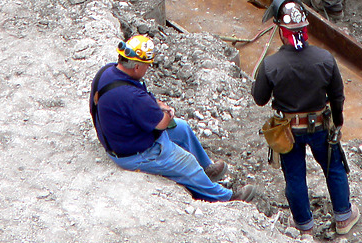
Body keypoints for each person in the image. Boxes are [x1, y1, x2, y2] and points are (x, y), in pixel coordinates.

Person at [90, 34, 256, 203]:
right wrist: (168, 113)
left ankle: (206, 169)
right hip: (134, 153)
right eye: (147, 65)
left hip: (124, 135)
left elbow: (142, 99)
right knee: (186, 162)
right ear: (137, 67)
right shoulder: (131, 96)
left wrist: (157, 105)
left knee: (182, 128)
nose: (147, 69)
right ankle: (226, 197)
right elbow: (162, 123)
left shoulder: (108, 72)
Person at [251, 0, 360, 236]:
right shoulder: (325, 59)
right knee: (333, 167)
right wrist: (338, 121)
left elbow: (259, 99)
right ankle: (343, 216)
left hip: (288, 130)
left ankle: (303, 225)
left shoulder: (272, 65)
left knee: (295, 175)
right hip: (321, 126)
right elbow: (337, 96)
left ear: (281, 30)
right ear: (305, 27)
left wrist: (264, 72)